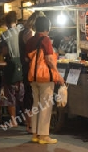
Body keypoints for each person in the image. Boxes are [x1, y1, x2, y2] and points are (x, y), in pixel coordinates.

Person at [26, 16, 64, 144]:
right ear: (47, 27)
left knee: (36, 105)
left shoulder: (31, 40)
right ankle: (44, 136)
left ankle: (35, 134)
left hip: (33, 77)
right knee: (46, 106)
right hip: (45, 77)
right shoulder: (46, 40)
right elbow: (49, 59)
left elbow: (27, 58)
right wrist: (57, 75)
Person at [19, 11, 45, 134]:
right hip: (30, 68)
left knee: (29, 96)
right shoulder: (29, 33)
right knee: (30, 96)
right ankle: (30, 125)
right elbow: (31, 53)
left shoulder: (23, 32)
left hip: (26, 67)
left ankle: (29, 124)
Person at [0, 11, 23, 128]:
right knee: (22, 93)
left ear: (6, 22)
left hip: (10, 65)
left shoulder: (4, 35)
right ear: (16, 21)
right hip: (21, 64)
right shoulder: (21, 32)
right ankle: (25, 118)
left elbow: (4, 51)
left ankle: (13, 120)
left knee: (10, 94)